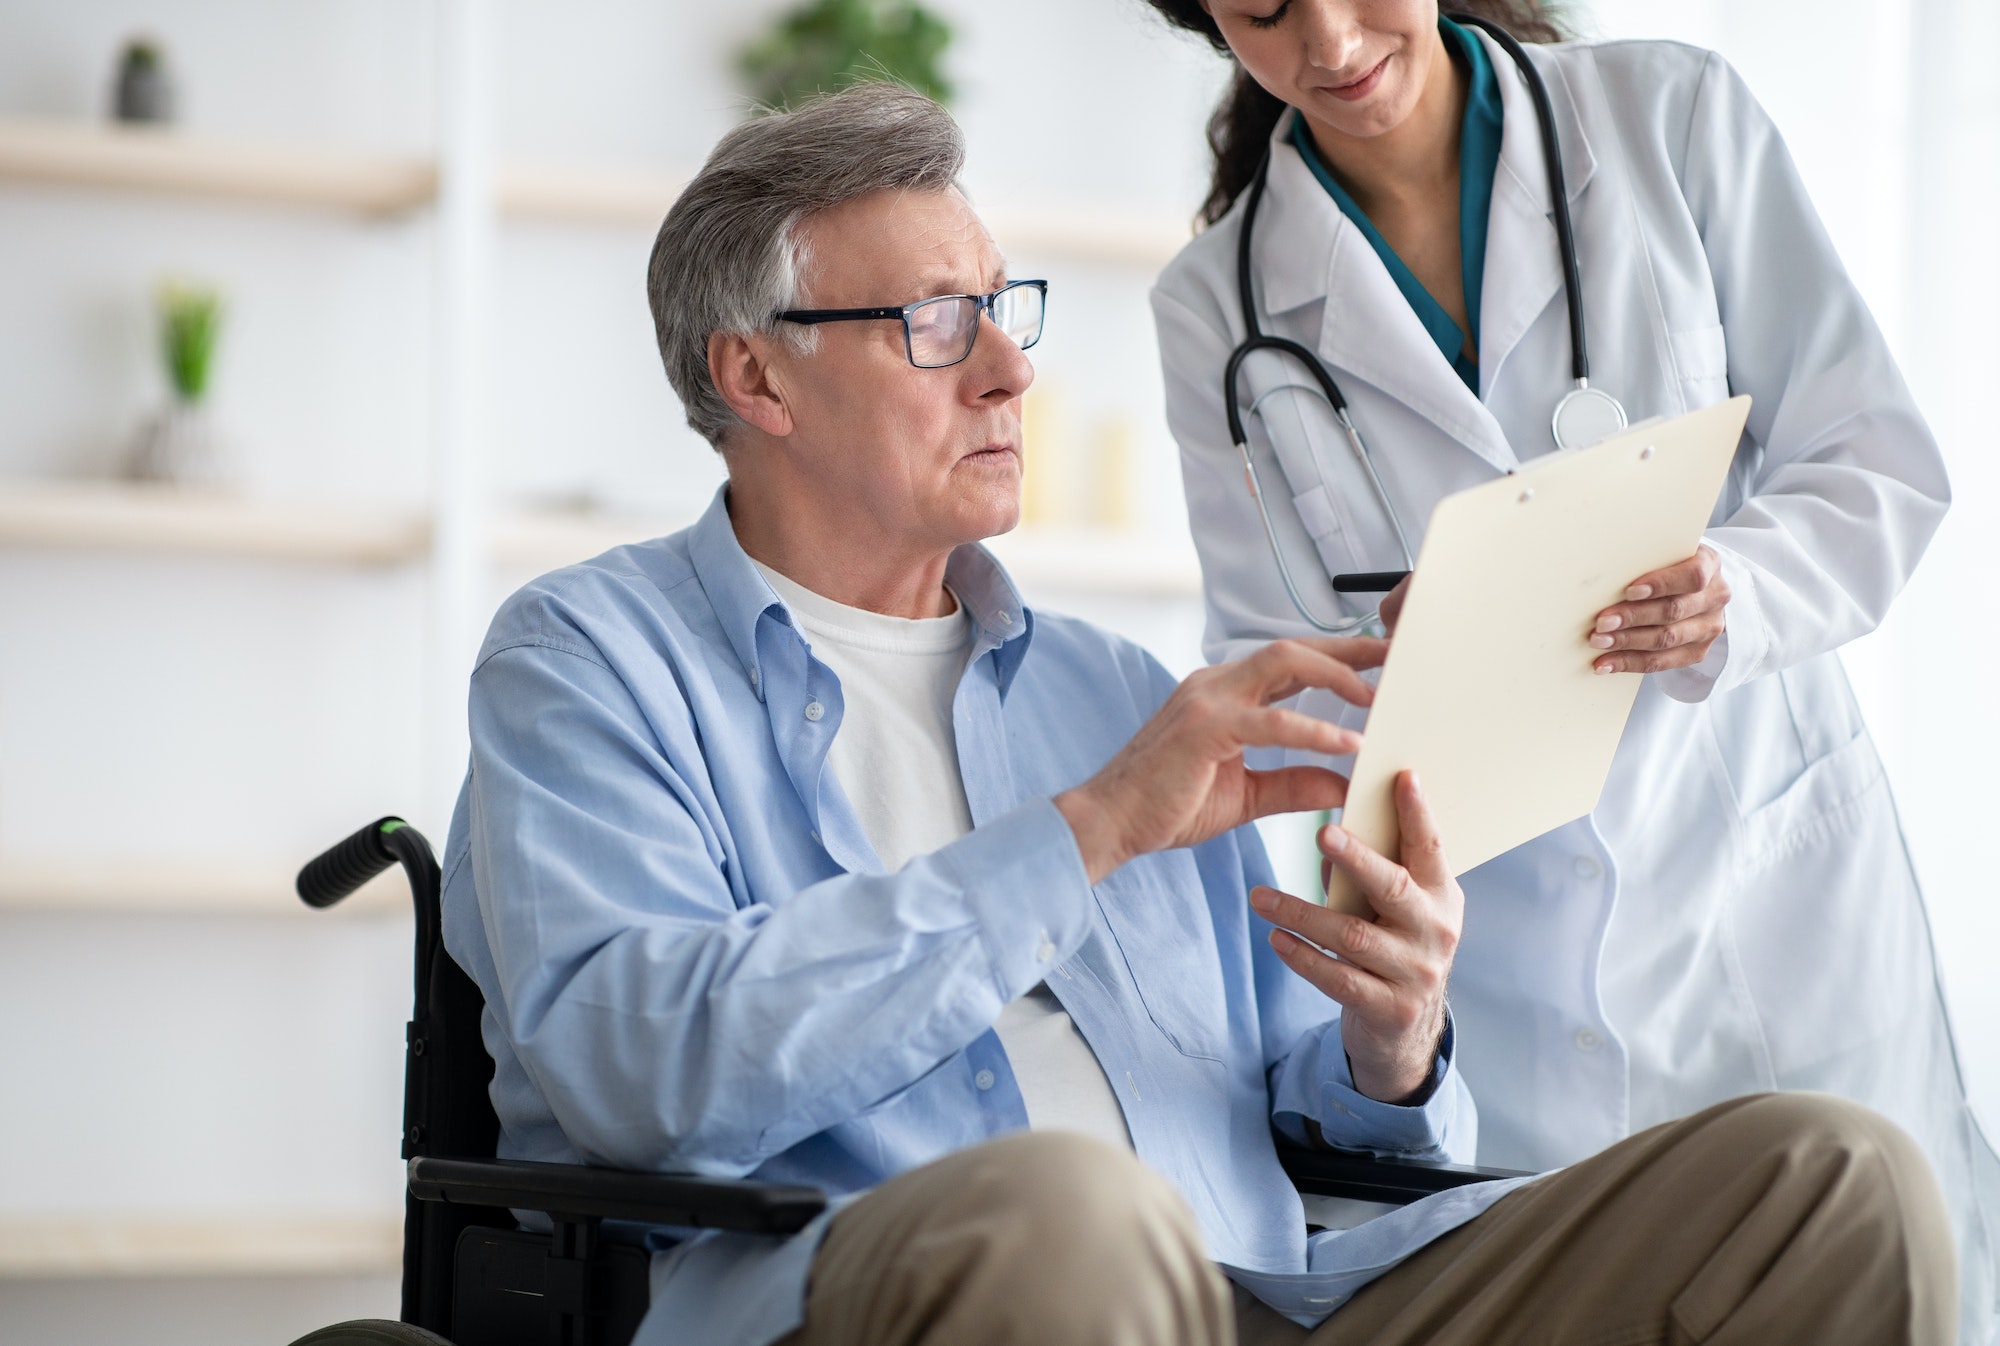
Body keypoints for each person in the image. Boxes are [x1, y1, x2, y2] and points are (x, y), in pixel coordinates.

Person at [440, 84, 1954, 1346]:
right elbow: (640, 1076)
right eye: (936, 323)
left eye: (1006, 310)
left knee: (1836, 1177)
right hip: (906, 1294)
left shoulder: (1112, 687)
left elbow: (1305, 1103)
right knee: (1071, 1208)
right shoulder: (586, 664)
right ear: (754, 375)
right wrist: (1088, 832)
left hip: (1271, 1302)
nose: (1011, 369)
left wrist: (1392, 1041)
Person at [1143, 2, 1996, 1338]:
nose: (1329, 40)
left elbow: (1878, 458)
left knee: (1862, 1259)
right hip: (1509, 959)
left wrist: (1740, 586)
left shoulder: (1668, 121)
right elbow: (1280, 681)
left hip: (1764, 893)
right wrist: (1418, 657)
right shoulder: (1218, 307)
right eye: (1261, 8)